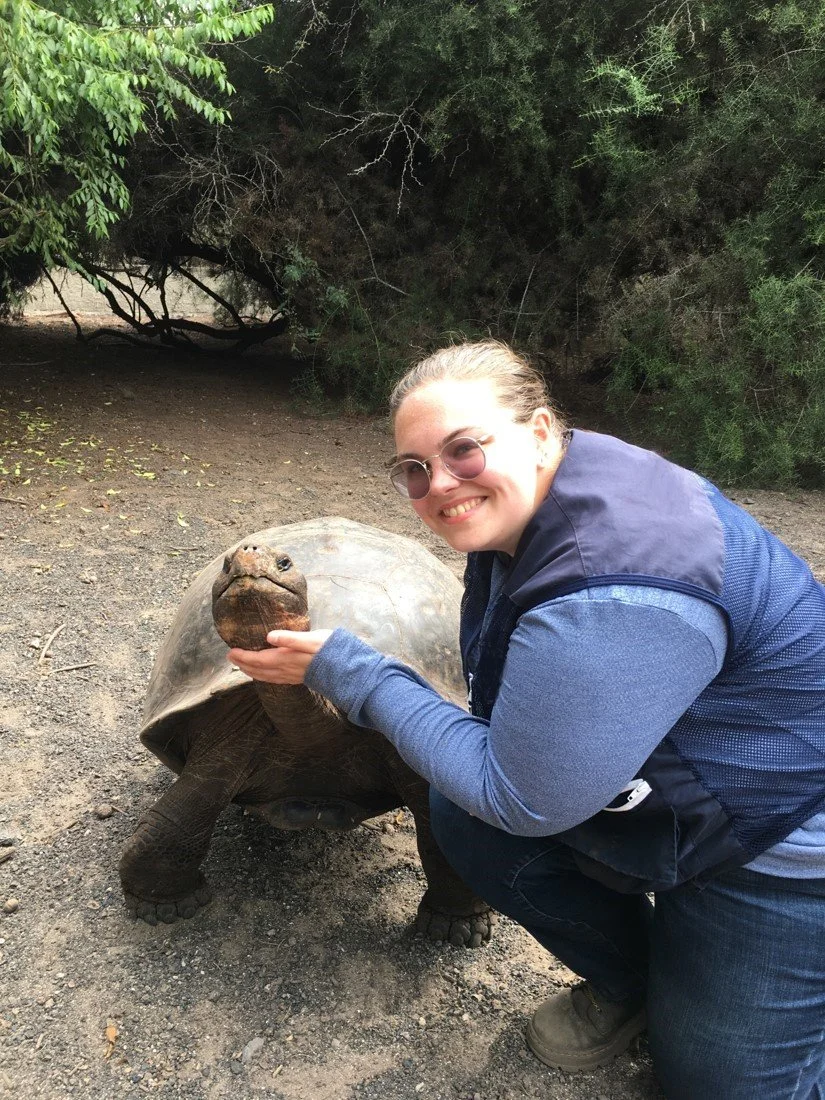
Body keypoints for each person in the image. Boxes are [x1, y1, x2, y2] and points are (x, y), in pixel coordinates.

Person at [228, 340, 825, 1099]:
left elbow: (524, 798)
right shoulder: (530, 512)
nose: (438, 483)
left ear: (541, 432)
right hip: (682, 792)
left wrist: (351, 672)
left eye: (464, 450)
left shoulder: (608, 591)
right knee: (459, 806)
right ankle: (640, 979)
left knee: (717, 1085)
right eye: (413, 468)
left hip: (778, 843)